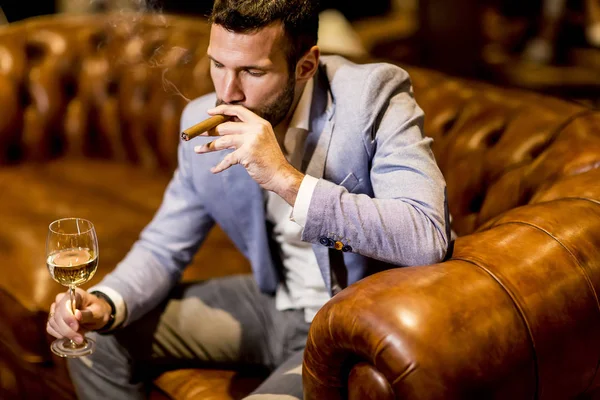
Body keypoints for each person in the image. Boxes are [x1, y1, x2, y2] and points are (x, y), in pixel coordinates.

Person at [46, 0, 450, 398]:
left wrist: (285, 179)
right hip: (274, 303)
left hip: (353, 323)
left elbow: (426, 237)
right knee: (96, 340)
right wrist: (103, 303)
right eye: (218, 64)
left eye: (252, 71)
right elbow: (163, 247)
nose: (226, 92)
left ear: (306, 66)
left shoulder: (372, 97)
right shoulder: (203, 120)